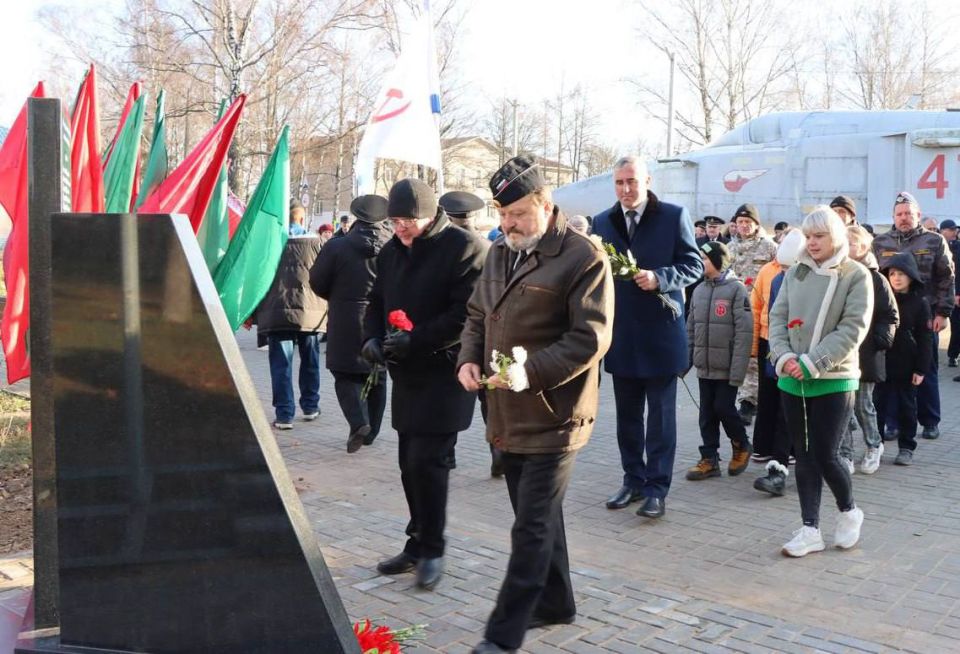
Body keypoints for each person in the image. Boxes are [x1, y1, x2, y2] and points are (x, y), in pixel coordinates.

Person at [456, 155, 614, 654]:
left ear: (545, 204)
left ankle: (502, 635)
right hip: (506, 412)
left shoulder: (583, 256)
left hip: (555, 414)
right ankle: (556, 602)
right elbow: (479, 313)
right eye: (502, 216)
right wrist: (467, 358)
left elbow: (590, 337)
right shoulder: (503, 251)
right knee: (540, 516)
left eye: (518, 214)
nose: (508, 225)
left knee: (531, 526)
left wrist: (531, 372)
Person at [361, 178, 486, 591]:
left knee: (428, 464)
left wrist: (418, 339)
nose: (400, 229)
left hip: (446, 371)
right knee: (407, 463)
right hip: (408, 373)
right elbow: (377, 300)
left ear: (431, 215)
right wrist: (372, 338)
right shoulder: (393, 251)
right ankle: (416, 542)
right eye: (395, 221)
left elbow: (465, 314)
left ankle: (433, 547)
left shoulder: (463, 247)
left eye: (407, 221)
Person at [592, 156, 703, 519]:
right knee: (626, 418)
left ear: (647, 181)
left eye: (632, 182)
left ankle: (657, 488)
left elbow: (694, 265)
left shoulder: (672, 216)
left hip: (660, 335)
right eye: (620, 183)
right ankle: (633, 480)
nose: (626, 189)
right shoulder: (602, 222)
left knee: (660, 419)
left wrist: (660, 278)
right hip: (621, 335)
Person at [768, 206, 872, 557]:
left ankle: (849, 510)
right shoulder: (795, 273)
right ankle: (809, 528)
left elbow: (852, 329)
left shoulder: (855, 275)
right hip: (792, 378)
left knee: (826, 454)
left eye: (819, 236)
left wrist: (813, 362)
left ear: (835, 237)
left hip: (834, 378)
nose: (812, 243)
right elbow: (778, 317)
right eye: (808, 236)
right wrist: (783, 357)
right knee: (804, 455)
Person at [310, 194, 392, 453]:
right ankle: (371, 431)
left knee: (345, 373)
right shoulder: (395, 247)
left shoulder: (337, 246)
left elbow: (317, 281)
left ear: (357, 216)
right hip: (382, 318)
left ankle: (359, 422)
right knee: (377, 373)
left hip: (345, 317)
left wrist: (338, 297)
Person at [872, 191, 955, 441]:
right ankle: (893, 424)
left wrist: (943, 312)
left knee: (925, 369)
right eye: (899, 214)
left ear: (917, 215)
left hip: (924, 316)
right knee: (892, 372)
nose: (904, 218)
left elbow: (947, 277)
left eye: (909, 213)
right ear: (893, 217)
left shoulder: (934, 241)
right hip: (889, 318)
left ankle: (930, 420)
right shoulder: (881, 243)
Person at [438, 189, 503, 478]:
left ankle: (448, 452)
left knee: (450, 399)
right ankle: (498, 452)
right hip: (487, 335)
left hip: (452, 338)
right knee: (489, 400)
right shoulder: (491, 248)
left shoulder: (441, 249)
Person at [684, 241, 753, 481]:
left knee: (724, 407)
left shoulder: (736, 290)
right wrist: (686, 361)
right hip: (705, 367)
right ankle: (710, 459)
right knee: (707, 414)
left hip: (726, 367)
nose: (699, 263)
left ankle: (742, 444)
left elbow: (744, 334)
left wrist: (737, 371)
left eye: (703, 259)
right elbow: (691, 328)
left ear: (717, 261)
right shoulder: (699, 290)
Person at [836, 226, 898, 475]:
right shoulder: (838, 274)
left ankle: (874, 445)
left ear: (863, 247)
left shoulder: (875, 278)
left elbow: (890, 315)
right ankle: (845, 453)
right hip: (841, 353)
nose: (847, 247)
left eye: (851, 243)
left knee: (863, 405)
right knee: (844, 409)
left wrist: (879, 340)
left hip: (867, 353)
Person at [253, 228, 325, 430]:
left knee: (281, 365)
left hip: (277, 312)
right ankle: (310, 406)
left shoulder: (268, 241)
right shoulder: (316, 243)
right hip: (310, 311)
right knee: (310, 359)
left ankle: (284, 414)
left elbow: (256, 277)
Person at [752, 230, 805, 496]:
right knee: (784, 414)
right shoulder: (777, 280)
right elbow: (775, 322)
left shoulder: (827, 280)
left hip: (817, 364)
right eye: (782, 268)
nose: (785, 273)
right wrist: (778, 359)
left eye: (789, 267)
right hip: (786, 359)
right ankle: (778, 470)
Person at [875, 253, 932, 466]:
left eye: (901, 274)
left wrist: (921, 369)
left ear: (911, 276)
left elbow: (925, 339)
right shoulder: (881, 299)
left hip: (908, 363)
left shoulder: (920, 303)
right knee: (877, 405)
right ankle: (876, 444)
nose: (896, 278)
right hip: (882, 361)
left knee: (907, 407)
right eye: (892, 274)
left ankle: (906, 446)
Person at [728, 203, 778, 426]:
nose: (744, 226)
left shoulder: (769, 248)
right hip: (735, 310)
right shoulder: (729, 248)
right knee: (740, 356)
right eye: (740, 222)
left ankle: (749, 402)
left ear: (756, 224)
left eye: (748, 222)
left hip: (761, 310)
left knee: (755, 359)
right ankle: (744, 399)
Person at [940, 218, 960, 369]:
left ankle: (953, 355)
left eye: (955, 230)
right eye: (951, 230)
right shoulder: (937, 245)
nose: (955, 232)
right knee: (956, 326)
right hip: (946, 293)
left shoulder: (957, 247)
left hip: (955, 292)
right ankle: (952, 355)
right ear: (943, 231)